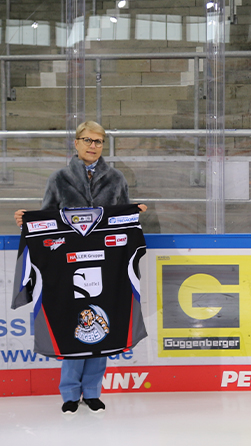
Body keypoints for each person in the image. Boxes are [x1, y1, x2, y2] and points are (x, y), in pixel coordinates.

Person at [14, 121, 146, 414]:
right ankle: (70, 394)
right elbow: (46, 218)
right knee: (73, 327)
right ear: (75, 143)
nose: (93, 145)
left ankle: (93, 391)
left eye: (98, 141)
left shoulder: (117, 179)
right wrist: (27, 219)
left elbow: (123, 221)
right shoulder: (58, 179)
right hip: (67, 267)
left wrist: (135, 215)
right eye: (87, 139)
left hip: (106, 267)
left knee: (104, 326)